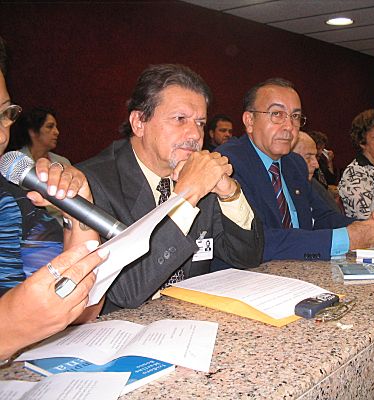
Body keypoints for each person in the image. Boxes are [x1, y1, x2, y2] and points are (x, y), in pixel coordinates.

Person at [78, 64, 263, 313]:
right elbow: (127, 292)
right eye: (180, 119)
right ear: (139, 122)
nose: (194, 134)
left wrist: (229, 193)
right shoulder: (94, 182)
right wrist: (187, 197)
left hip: (188, 320)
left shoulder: (199, 172)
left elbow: (247, 257)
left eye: (200, 122)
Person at [0, 36, 106, 364]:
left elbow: (84, 309)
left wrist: (79, 215)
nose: (2, 134)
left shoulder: (12, 196)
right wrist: (7, 330)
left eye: (3, 114)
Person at [218, 78, 374, 262]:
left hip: (298, 269)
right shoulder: (228, 164)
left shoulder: (294, 163)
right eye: (277, 114)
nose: (289, 126)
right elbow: (258, 240)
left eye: (295, 116)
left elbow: (322, 217)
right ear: (249, 120)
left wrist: (369, 227)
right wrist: (347, 238)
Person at [12, 107, 72, 224]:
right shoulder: (15, 164)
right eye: (50, 127)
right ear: (32, 132)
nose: (57, 132)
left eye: (56, 127)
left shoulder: (62, 162)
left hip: (64, 225)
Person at [292, 131, 340, 213]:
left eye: (322, 149)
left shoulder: (320, 163)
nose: (316, 165)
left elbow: (331, 180)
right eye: (308, 157)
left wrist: (329, 162)